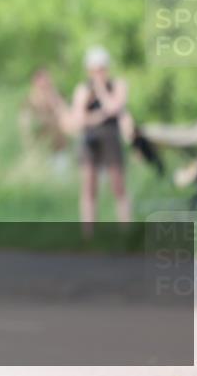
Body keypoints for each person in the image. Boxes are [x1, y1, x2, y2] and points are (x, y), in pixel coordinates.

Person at [70, 46, 131, 235]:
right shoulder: (82, 89)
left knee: (118, 184)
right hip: (89, 138)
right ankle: (89, 232)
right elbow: (78, 118)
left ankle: (125, 229)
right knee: (89, 185)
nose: (98, 73)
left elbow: (114, 107)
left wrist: (101, 90)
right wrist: (98, 114)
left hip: (111, 137)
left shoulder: (117, 85)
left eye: (101, 69)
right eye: (95, 70)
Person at [19, 68, 71, 173]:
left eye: (48, 80)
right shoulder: (29, 101)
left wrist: (54, 99)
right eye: (42, 81)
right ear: (35, 82)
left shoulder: (57, 96)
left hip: (59, 146)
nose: (46, 83)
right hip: (41, 147)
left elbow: (66, 115)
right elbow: (25, 125)